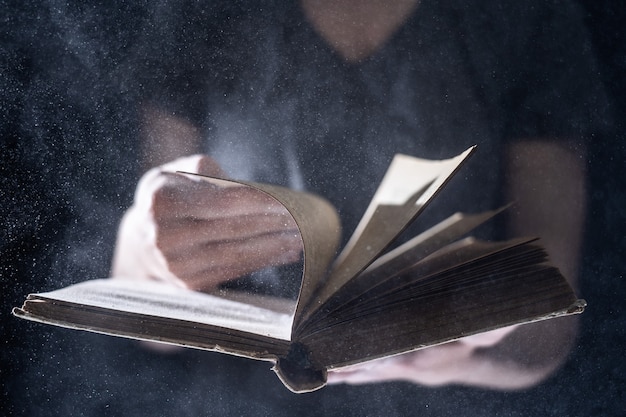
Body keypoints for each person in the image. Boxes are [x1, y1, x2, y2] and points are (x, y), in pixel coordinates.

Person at [112, 0, 605, 390]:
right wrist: (144, 252)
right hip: (232, 403)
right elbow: (149, 329)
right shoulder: (200, 12)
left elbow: (551, 324)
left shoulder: (526, 13)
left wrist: (471, 345)